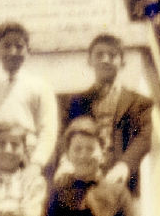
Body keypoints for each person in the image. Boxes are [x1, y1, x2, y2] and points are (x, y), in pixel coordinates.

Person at [63, 34, 153, 193]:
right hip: (82, 181)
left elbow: (145, 137)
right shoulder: (76, 102)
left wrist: (124, 166)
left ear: (122, 62)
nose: (105, 59)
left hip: (121, 181)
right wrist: (66, 162)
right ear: (90, 61)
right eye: (99, 55)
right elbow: (64, 136)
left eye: (112, 55)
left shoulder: (140, 103)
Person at [0, 22, 59, 175]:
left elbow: (48, 130)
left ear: (28, 51)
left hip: (28, 159)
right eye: (6, 46)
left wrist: (37, 163)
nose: (13, 51)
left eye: (19, 46)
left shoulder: (41, 87)